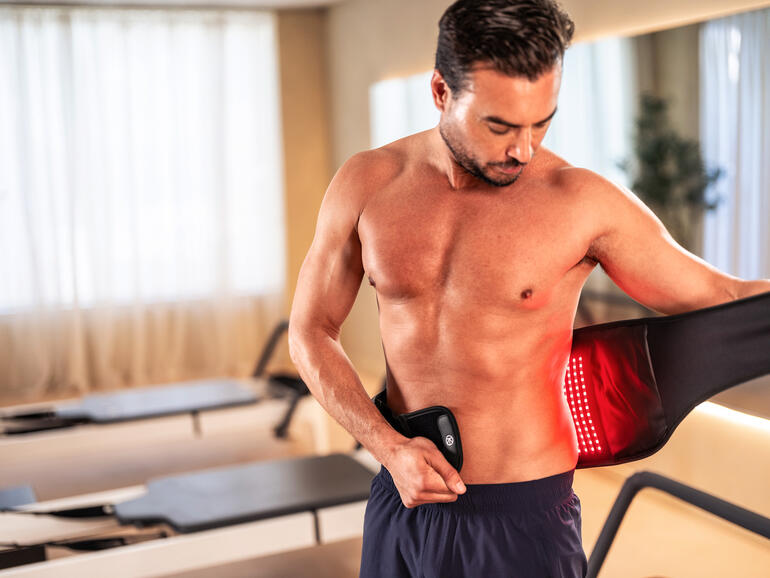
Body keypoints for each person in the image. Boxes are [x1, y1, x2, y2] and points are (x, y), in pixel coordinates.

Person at [288, 1, 770, 576]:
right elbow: (311, 331)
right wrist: (388, 449)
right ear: (441, 91)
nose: (524, 148)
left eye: (542, 121)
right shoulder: (367, 182)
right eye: (500, 126)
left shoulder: (581, 203)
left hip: (521, 512)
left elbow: (722, 295)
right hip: (402, 493)